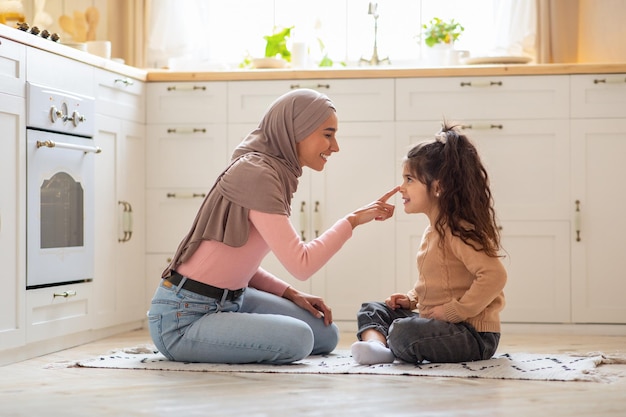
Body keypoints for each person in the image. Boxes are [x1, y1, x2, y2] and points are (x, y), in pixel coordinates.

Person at [148, 88, 398, 365]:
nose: (335, 146)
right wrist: (352, 221)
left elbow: (236, 261)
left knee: (326, 335)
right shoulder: (257, 174)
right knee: (299, 339)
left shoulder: (274, 171)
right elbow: (302, 264)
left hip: (234, 298)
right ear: (296, 130)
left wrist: (290, 294)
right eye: (327, 135)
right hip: (184, 318)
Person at [351, 122, 507, 365]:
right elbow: (436, 284)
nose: (401, 188)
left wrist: (455, 311)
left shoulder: (459, 230)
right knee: (372, 309)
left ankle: (392, 344)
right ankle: (377, 346)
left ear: (438, 187)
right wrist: (411, 299)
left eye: (409, 179)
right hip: (441, 324)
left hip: (472, 333)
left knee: (404, 331)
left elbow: (494, 276)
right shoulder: (433, 231)